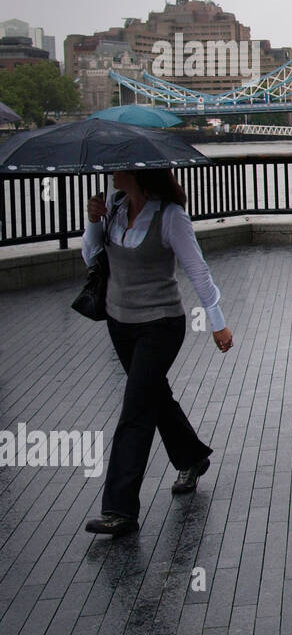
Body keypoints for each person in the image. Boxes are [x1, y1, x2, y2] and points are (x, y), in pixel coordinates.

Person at [82, 169, 232, 537]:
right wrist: (93, 223)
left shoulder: (170, 217)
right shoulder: (115, 208)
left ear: (137, 173)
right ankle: (192, 457)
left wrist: (217, 321)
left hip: (161, 324)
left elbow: (198, 271)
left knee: (135, 410)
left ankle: (119, 509)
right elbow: (91, 257)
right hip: (120, 322)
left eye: (118, 167)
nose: (110, 172)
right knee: (153, 396)